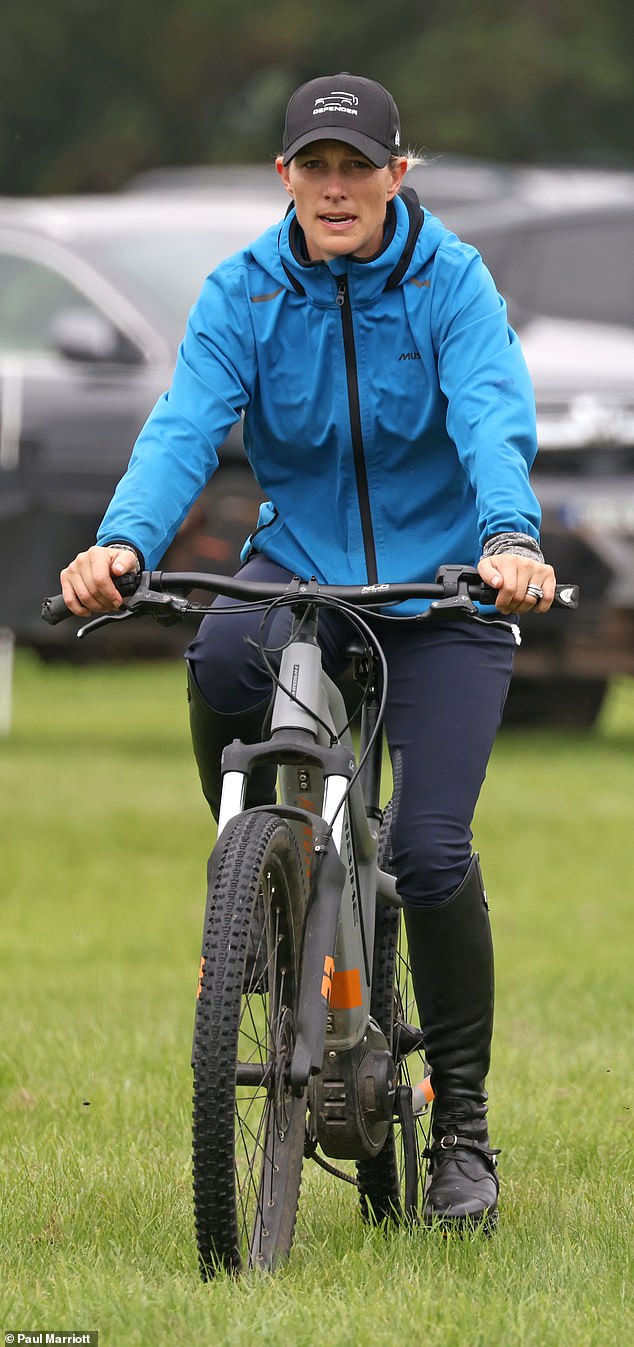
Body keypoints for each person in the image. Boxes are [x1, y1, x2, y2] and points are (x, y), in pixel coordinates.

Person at [60, 72, 556, 1231]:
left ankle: (464, 1131)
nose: (337, 189)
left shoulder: (452, 282)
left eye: (359, 168)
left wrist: (508, 538)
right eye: (315, 168)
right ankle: (257, 885)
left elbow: (490, 412)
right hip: (306, 568)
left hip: (445, 590)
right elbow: (186, 421)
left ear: (398, 175)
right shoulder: (243, 287)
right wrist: (123, 544)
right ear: (284, 177)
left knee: (429, 855)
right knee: (222, 655)